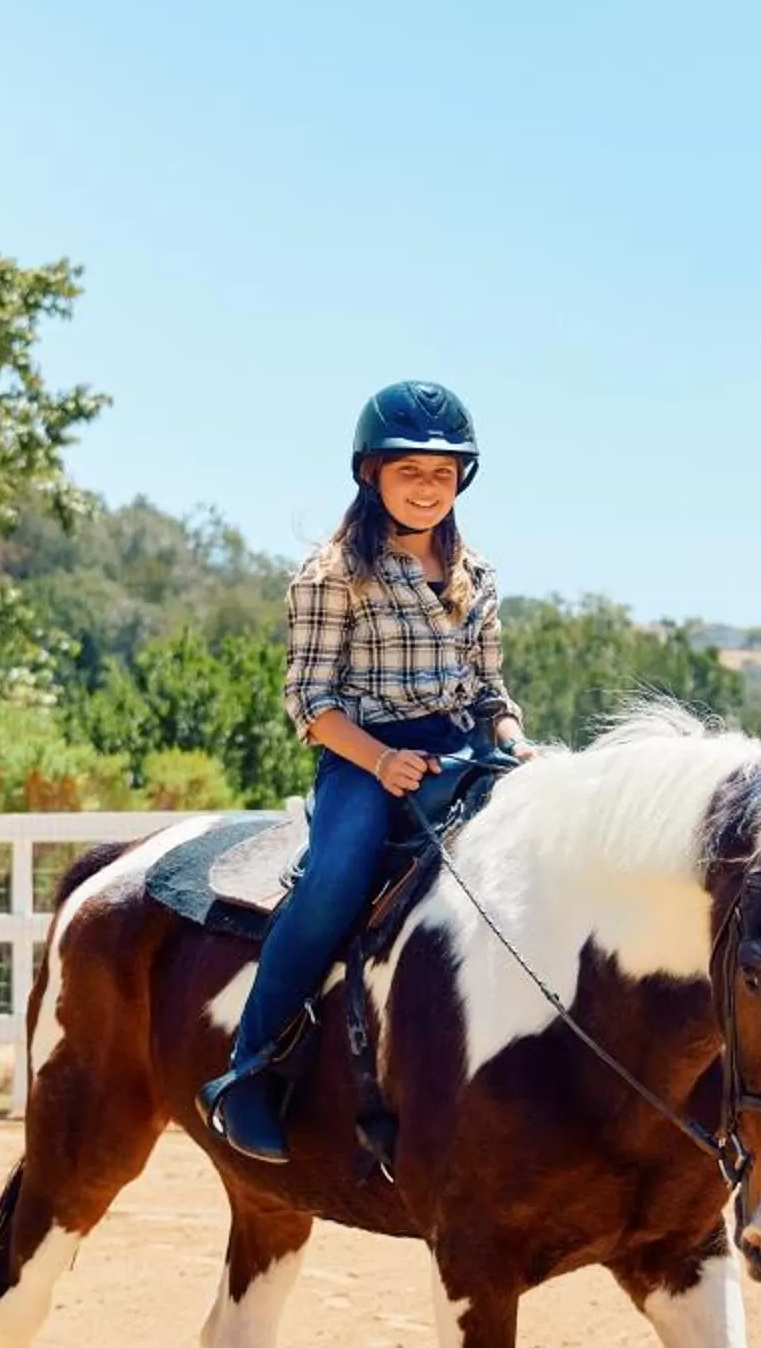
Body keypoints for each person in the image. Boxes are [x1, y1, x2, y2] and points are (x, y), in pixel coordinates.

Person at [198, 381, 533, 1164]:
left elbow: (490, 691)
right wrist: (380, 761)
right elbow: (308, 701)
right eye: (409, 471)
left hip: (462, 747)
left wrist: (514, 741)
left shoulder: (476, 573)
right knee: (338, 880)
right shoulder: (332, 573)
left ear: (462, 483)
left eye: (442, 474)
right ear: (371, 475)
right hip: (364, 752)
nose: (426, 488)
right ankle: (247, 1068)